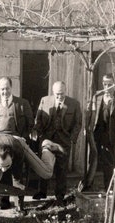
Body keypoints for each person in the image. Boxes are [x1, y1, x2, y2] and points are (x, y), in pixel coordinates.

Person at [33, 81, 82, 209]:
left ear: (65, 91)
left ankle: (60, 197)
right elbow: (38, 119)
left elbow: (78, 123)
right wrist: (39, 135)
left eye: (61, 94)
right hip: (47, 139)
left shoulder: (74, 104)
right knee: (43, 165)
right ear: (53, 92)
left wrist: (72, 139)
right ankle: (41, 191)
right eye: (56, 94)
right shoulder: (45, 100)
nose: (59, 96)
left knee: (62, 169)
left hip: (63, 141)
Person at [0, 77, 34, 210]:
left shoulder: (22, 104)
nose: (5, 91)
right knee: (2, 170)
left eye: (7, 88)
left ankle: (19, 203)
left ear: (11, 88)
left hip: (16, 141)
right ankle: (4, 200)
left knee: (17, 172)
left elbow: (30, 124)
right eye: (2, 89)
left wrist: (23, 138)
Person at [0, 134, 64, 191]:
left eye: (7, 165)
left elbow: (18, 167)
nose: (4, 170)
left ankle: (46, 146)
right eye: (0, 166)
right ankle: (2, 165)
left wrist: (16, 182)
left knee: (47, 173)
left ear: (12, 157)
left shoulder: (17, 151)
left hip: (17, 142)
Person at [92, 74, 115, 190]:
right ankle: (90, 185)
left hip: (112, 135)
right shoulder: (97, 96)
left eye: (110, 84)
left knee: (110, 162)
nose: (107, 87)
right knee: (94, 159)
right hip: (98, 133)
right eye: (105, 84)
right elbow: (91, 113)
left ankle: (109, 187)